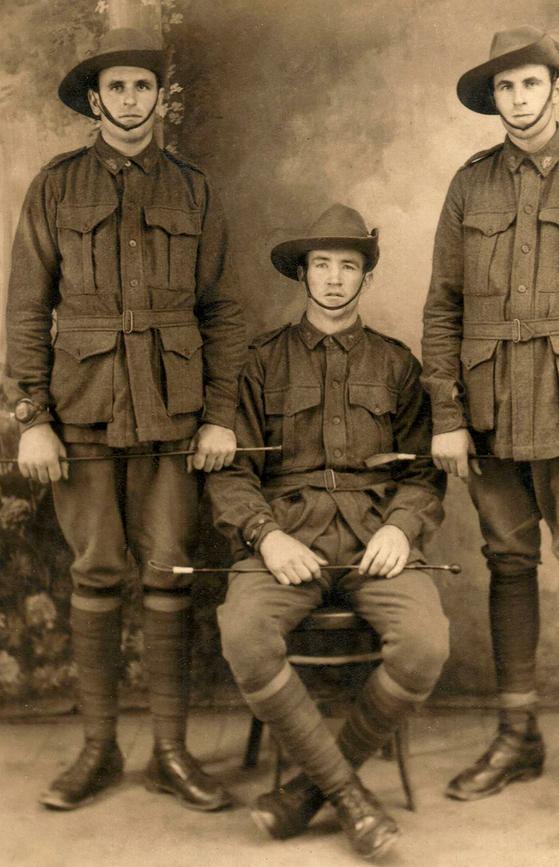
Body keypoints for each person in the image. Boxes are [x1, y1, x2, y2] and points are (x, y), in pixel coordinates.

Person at [4, 28, 247, 811]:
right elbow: (24, 309)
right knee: (97, 571)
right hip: (80, 411)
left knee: (170, 571)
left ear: (159, 98)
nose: (131, 100)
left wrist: (217, 416)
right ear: (95, 99)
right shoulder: (56, 188)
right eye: (117, 88)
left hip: (174, 415)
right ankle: (99, 749)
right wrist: (31, 417)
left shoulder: (194, 189)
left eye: (143, 87)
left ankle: (171, 752)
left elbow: (223, 312)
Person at [421, 26, 559, 819]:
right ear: (496, 99)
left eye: (530, 84)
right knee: (508, 564)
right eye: (505, 89)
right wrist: (448, 415)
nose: (518, 100)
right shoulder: (470, 183)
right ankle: (517, 735)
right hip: (490, 417)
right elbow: (443, 307)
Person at [208, 204, 448, 858]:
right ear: (303, 273)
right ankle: (347, 796)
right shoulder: (260, 362)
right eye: (322, 265)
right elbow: (228, 472)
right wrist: (265, 535)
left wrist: (401, 526)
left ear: (366, 276)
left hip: (375, 540)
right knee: (244, 632)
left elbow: (425, 471)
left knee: (426, 642)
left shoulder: (397, 365)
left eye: (349, 265)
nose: (335, 279)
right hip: (287, 538)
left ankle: (311, 792)